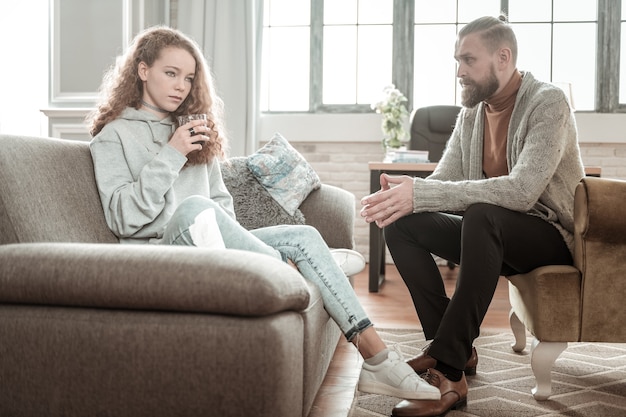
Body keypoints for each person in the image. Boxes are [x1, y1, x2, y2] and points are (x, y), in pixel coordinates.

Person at [87, 25, 440, 402]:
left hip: (209, 247)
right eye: (170, 73)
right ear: (142, 71)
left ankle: (379, 362)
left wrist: (186, 153)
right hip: (158, 253)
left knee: (302, 236)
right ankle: (299, 267)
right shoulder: (114, 136)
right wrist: (171, 154)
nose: (181, 86)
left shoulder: (191, 131)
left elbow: (222, 207)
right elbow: (124, 218)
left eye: (188, 78)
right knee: (194, 209)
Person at [360, 15, 585, 417]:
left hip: (548, 235)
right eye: (457, 61)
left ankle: (447, 370)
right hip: (493, 231)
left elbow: (521, 191)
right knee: (400, 221)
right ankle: (454, 351)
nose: (459, 71)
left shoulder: (548, 103)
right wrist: (406, 192)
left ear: (503, 57)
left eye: (468, 60)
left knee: (483, 213)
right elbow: (445, 180)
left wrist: (424, 192)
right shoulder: (472, 114)